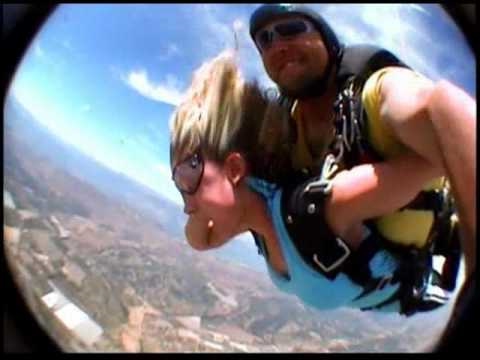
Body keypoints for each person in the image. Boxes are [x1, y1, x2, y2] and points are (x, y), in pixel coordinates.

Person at [169, 50, 457, 315]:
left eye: (189, 175)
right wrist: (192, 191)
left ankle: (449, 225)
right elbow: (198, 239)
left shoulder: (321, 210)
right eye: (179, 180)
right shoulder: (249, 219)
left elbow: (444, 156)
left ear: (234, 169)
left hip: (413, 290)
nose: (186, 207)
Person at [247, 4, 475, 282]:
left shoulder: (373, 93)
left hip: (399, 276)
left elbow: (438, 109)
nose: (277, 46)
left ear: (327, 40)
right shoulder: (279, 131)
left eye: (291, 29)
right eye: (265, 40)